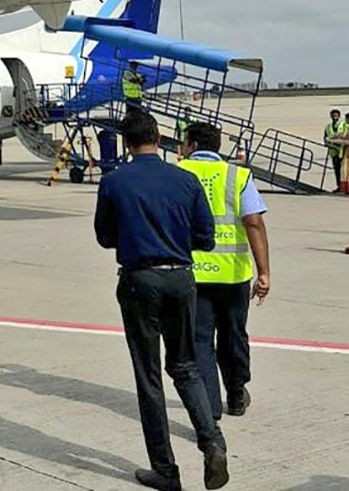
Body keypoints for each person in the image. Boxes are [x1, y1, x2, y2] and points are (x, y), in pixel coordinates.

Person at [94, 110, 228, 491]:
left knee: (149, 376)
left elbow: (104, 237)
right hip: (182, 279)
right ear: (158, 137)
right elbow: (206, 239)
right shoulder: (185, 179)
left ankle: (165, 470)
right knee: (185, 366)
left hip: (141, 280)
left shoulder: (114, 180)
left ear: (127, 143)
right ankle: (212, 442)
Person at [179, 123, 271, 419]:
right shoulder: (237, 175)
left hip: (193, 273)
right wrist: (264, 272)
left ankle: (209, 407)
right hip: (233, 275)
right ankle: (236, 393)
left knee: (200, 339)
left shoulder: (178, 173)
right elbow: (253, 222)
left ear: (192, 145)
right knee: (233, 335)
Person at [324, 109, 347, 188]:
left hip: (343, 151)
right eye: (333, 116)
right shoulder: (328, 127)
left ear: (339, 116)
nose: (334, 117)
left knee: (343, 170)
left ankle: (344, 186)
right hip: (333, 151)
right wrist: (327, 143)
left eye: (336, 116)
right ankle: (339, 186)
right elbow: (325, 138)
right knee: (337, 170)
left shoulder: (344, 125)